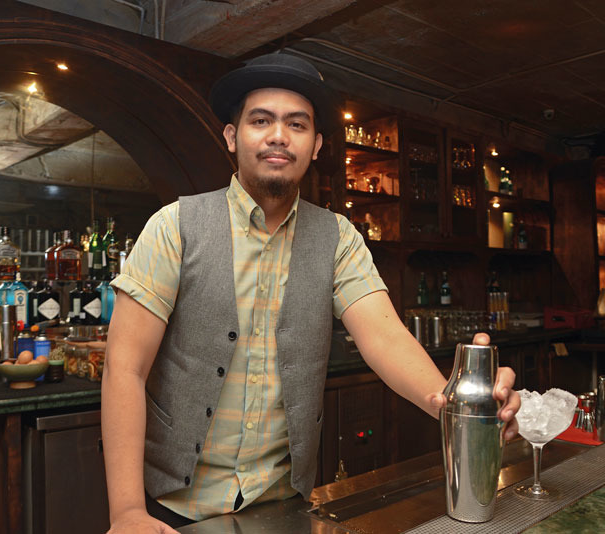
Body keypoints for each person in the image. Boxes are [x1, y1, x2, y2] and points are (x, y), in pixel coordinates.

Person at [102, 53, 520, 534]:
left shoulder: (338, 238)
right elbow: (124, 366)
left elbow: (384, 337)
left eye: (296, 124)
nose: (279, 135)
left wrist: (457, 404)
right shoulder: (175, 226)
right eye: (261, 121)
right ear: (232, 137)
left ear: (316, 145)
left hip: (282, 507)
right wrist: (127, 511)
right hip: (172, 508)